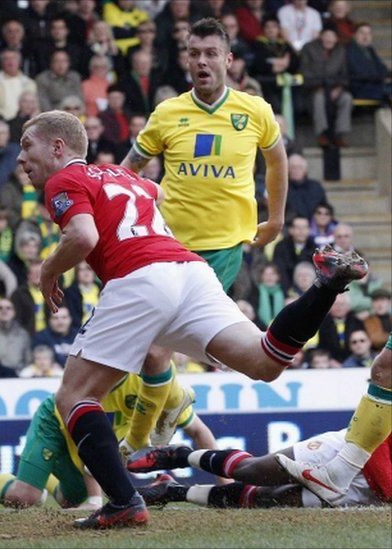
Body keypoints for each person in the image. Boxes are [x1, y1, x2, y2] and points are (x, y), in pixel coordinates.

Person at [17, 109, 366, 529]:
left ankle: (124, 500)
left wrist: (49, 269)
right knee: (265, 362)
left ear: (58, 147)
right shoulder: (121, 176)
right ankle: (325, 287)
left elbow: (83, 236)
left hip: (139, 277)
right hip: (189, 270)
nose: (21, 158)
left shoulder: (64, 179)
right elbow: (156, 193)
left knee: (73, 397)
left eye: (26, 145)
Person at [117, 18, 290, 464]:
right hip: (165, 245)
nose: (202, 61)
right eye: (194, 53)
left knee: (155, 345)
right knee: (146, 348)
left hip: (219, 248)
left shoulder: (254, 112)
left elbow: (276, 161)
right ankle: (173, 403)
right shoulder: (168, 113)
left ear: (228, 60)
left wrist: (275, 218)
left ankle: (138, 440)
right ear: (186, 59)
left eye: (211, 53)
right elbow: (128, 170)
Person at [0, 373, 208, 513]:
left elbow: (199, 432)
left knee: (68, 500)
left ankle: (46, 484)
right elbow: (97, 441)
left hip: (89, 437)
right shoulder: (111, 382)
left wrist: (226, 488)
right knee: (23, 497)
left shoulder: (167, 391)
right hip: (58, 419)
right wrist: (96, 499)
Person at [129, 430, 391, 509]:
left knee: (267, 499)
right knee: (252, 471)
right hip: (352, 453)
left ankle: (173, 492)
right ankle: (180, 455)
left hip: (366, 490)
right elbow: (378, 433)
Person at [277, 333, 392, 505]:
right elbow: (380, 444)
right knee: (254, 471)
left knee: (274, 497)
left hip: (370, 475)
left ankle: (339, 472)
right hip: (356, 452)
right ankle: (339, 471)